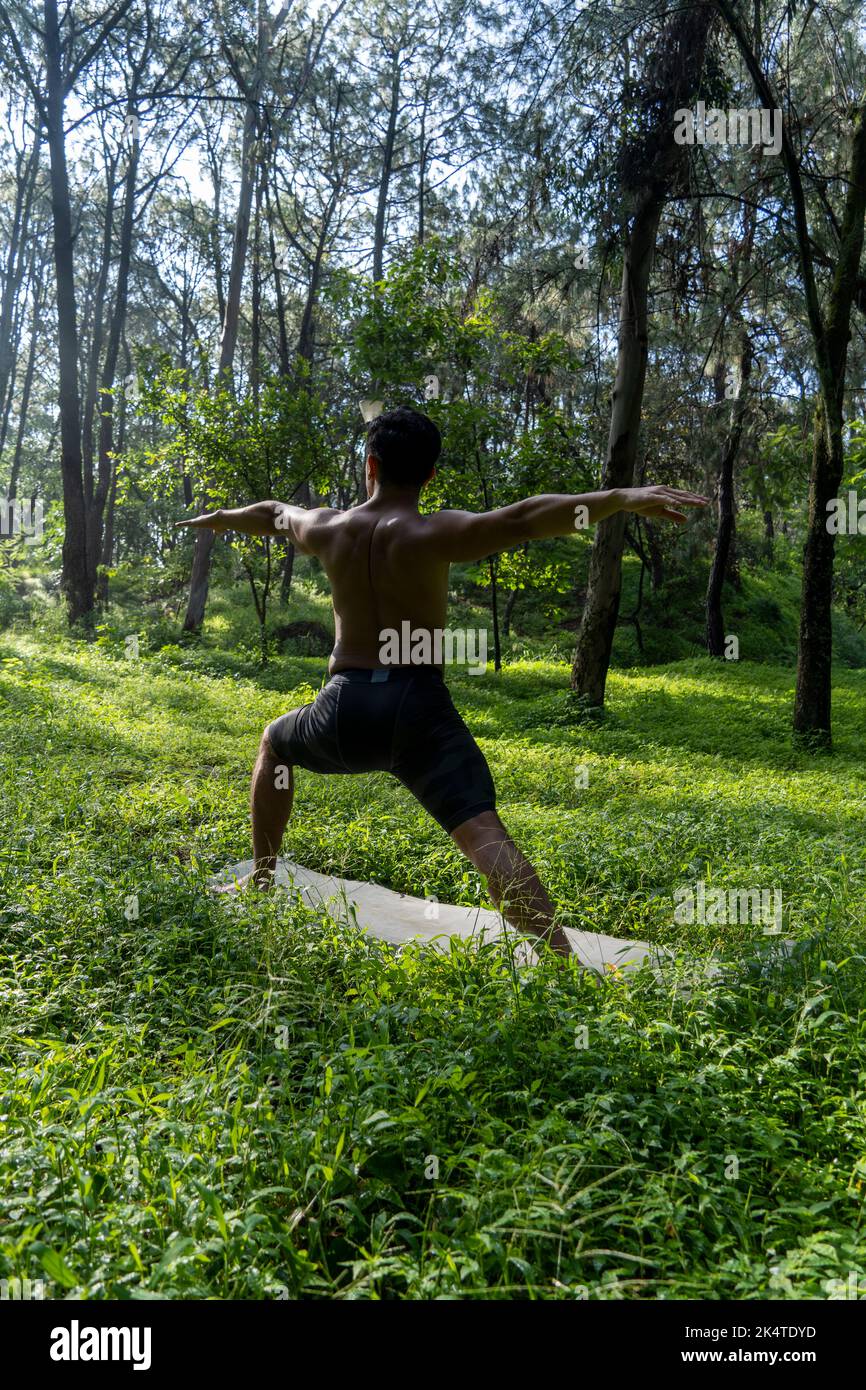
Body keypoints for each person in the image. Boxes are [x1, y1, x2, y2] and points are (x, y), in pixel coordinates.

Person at [177, 406, 706, 957]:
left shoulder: (327, 527)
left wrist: (219, 517)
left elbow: (271, 513)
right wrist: (619, 498)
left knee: (275, 742)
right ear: (429, 475)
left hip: (344, 708)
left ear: (370, 465)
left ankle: (262, 879)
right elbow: (529, 517)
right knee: (482, 833)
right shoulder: (436, 533)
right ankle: (562, 960)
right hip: (416, 707)